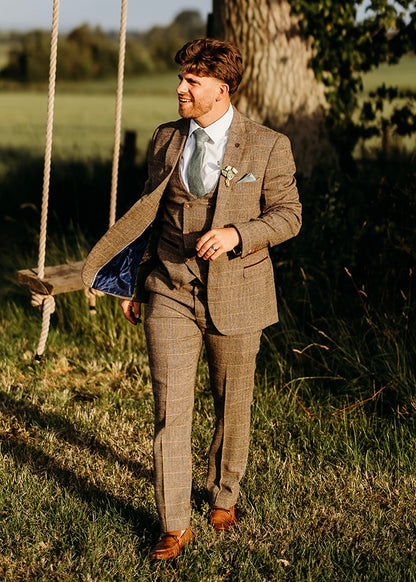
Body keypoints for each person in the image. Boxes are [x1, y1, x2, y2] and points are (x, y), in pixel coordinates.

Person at [82, 38, 301, 560]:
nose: (180, 88)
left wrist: (237, 235)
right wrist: (131, 282)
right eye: (182, 78)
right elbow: (148, 218)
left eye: (191, 82)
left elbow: (290, 215)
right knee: (170, 410)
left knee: (233, 405)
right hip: (169, 290)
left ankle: (224, 496)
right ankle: (174, 524)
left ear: (221, 90)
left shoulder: (269, 145)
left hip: (239, 293)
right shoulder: (164, 139)